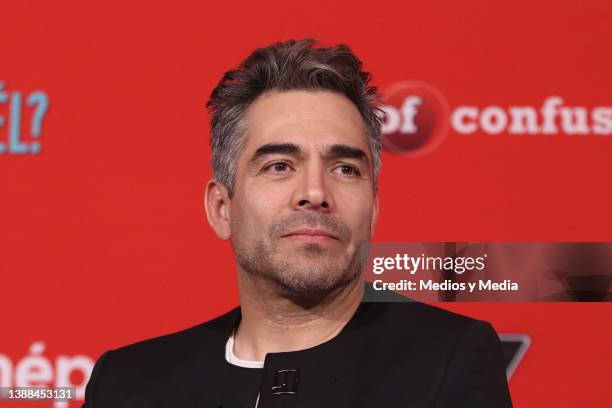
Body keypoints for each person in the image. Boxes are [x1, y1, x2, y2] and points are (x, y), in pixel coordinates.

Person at [83, 39, 512, 408]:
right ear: (221, 208)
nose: (315, 192)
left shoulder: (445, 361)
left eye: (345, 169)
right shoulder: (127, 383)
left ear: (374, 210)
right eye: (279, 165)